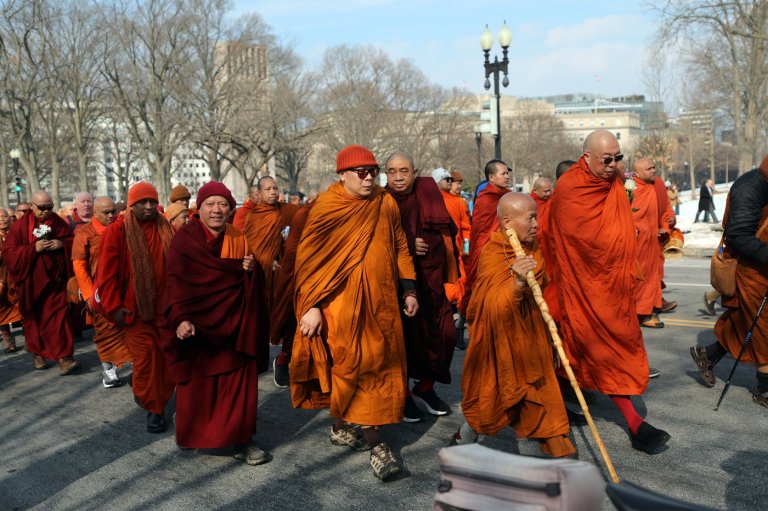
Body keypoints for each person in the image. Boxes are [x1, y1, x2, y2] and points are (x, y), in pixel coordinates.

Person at [291, 144, 418, 481]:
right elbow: (308, 262)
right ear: (342, 175)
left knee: (379, 368)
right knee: (349, 369)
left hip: (383, 304)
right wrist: (312, 306)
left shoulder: (384, 201)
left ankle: (350, 427)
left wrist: (409, 289)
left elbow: (400, 245)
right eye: (360, 172)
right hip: (341, 308)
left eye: (372, 171)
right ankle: (378, 446)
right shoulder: (328, 207)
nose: (368, 178)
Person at [550, 129, 670, 454]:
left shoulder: (615, 181)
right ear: (586, 156)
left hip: (614, 286)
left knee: (607, 346)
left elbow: (617, 230)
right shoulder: (570, 189)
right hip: (582, 285)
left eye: (618, 158)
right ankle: (634, 423)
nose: (614, 164)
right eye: (607, 159)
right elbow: (579, 243)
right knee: (599, 349)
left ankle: (565, 390)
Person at [452, 193, 576, 457]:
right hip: (499, 344)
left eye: (536, 216)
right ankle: (464, 440)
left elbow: (540, 294)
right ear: (507, 222)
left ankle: (531, 469)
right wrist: (517, 283)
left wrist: (550, 342)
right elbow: (489, 307)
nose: (536, 224)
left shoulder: (531, 247)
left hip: (530, 341)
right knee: (491, 400)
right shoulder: (493, 253)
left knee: (534, 406)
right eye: (530, 217)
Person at [160, 181, 272, 464]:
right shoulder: (185, 240)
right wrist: (180, 319)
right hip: (198, 325)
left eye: (222, 204)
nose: (216, 210)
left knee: (239, 383)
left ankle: (243, 439)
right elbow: (174, 282)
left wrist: (250, 270)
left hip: (235, 324)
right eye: (210, 204)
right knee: (199, 384)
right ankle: (194, 430)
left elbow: (252, 280)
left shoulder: (239, 237)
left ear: (230, 208)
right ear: (200, 208)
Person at [95, 181, 176, 433]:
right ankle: (155, 409)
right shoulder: (117, 231)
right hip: (136, 311)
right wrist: (114, 307)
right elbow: (106, 275)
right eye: (143, 202)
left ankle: (154, 395)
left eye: (152, 201)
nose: (149, 206)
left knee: (165, 358)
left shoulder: (165, 227)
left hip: (167, 309)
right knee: (147, 359)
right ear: (132, 204)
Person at [690, 158, 768, 408]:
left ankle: (708, 356)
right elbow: (739, 234)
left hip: (761, 265)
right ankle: (765, 390)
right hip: (750, 267)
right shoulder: (752, 186)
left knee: (745, 322)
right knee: (764, 327)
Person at [385, 155, 457, 423]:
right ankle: (402, 396)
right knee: (403, 343)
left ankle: (424, 388)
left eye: (404, 171)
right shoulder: (381, 201)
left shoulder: (427, 192)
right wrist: (404, 244)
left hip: (432, 280)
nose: (399, 177)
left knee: (446, 335)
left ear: (415, 172)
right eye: (392, 172)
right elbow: (376, 239)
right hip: (398, 284)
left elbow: (447, 230)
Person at [4, 191, 79, 374]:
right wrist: (32, 249)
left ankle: (65, 357)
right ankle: (38, 354)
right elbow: (9, 253)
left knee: (60, 319)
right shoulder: (19, 227)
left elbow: (71, 240)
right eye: (42, 208)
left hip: (55, 283)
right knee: (33, 321)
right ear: (32, 206)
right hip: (31, 283)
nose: (46, 211)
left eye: (49, 207)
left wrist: (62, 245)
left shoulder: (58, 222)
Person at [72, 196, 133, 388]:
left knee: (128, 329)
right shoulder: (85, 232)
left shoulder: (122, 228)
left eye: (113, 211)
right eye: (105, 212)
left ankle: (136, 368)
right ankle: (109, 371)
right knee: (105, 332)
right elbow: (79, 265)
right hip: (99, 292)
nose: (110, 215)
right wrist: (90, 295)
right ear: (95, 213)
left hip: (123, 287)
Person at [242, 176, 298, 372]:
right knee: (259, 316)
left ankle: (285, 356)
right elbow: (249, 246)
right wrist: (266, 260)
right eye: (268, 189)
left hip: (284, 272)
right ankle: (255, 359)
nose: (273, 192)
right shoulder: (253, 217)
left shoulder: (287, 212)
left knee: (287, 314)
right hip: (260, 275)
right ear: (259, 193)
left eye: (275, 188)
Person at [460, 160, 510, 317]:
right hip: (487, 250)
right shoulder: (486, 198)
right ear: (491, 177)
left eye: (508, 173)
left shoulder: (506, 195)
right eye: (503, 173)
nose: (507, 176)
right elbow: (483, 230)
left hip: (504, 250)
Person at [632, 159, 665, 329]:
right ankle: (642, 314)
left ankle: (647, 309)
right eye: (649, 169)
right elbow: (630, 217)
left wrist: (661, 227)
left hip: (652, 241)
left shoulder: (650, 187)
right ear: (637, 173)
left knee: (653, 277)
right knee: (642, 279)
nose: (653, 170)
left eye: (654, 167)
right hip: (639, 244)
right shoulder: (632, 190)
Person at [434, 168, 470, 307]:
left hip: (457, 248)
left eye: (451, 180)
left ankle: (458, 310)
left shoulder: (460, 202)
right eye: (447, 179)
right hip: (437, 248)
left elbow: (466, 228)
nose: (451, 182)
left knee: (460, 279)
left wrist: (467, 248)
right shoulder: (430, 200)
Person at [0, 208, 22, 353]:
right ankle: (8, 339)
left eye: (5, 216)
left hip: (15, 276)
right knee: (1, 308)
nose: (2, 219)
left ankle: (31, 335)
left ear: (10, 218)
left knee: (21, 305)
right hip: (1, 277)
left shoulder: (16, 234)